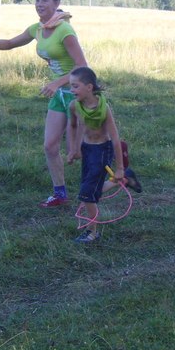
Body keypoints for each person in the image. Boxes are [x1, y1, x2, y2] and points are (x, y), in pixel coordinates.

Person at [0, 0, 87, 207]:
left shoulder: (65, 31)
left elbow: (83, 65)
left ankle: (115, 170)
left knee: (81, 150)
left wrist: (57, 82)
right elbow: (10, 43)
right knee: (50, 146)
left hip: (78, 93)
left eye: (45, 1)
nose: (39, 5)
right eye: (37, 1)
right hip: (59, 96)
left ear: (56, 3)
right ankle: (60, 194)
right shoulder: (37, 29)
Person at [66, 67, 142, 243]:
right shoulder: (74, 106)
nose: (71, 90)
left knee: (86, 193)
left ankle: (92, 232)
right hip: (87, 149)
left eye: (75, 86)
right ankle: (123, 179)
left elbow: (115, 139)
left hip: (102, 150)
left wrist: (120, 167)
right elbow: (73, 126)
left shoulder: (104, 108)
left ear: (89, 87)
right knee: (90, 188)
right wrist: (73, 149)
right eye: (71, 86)